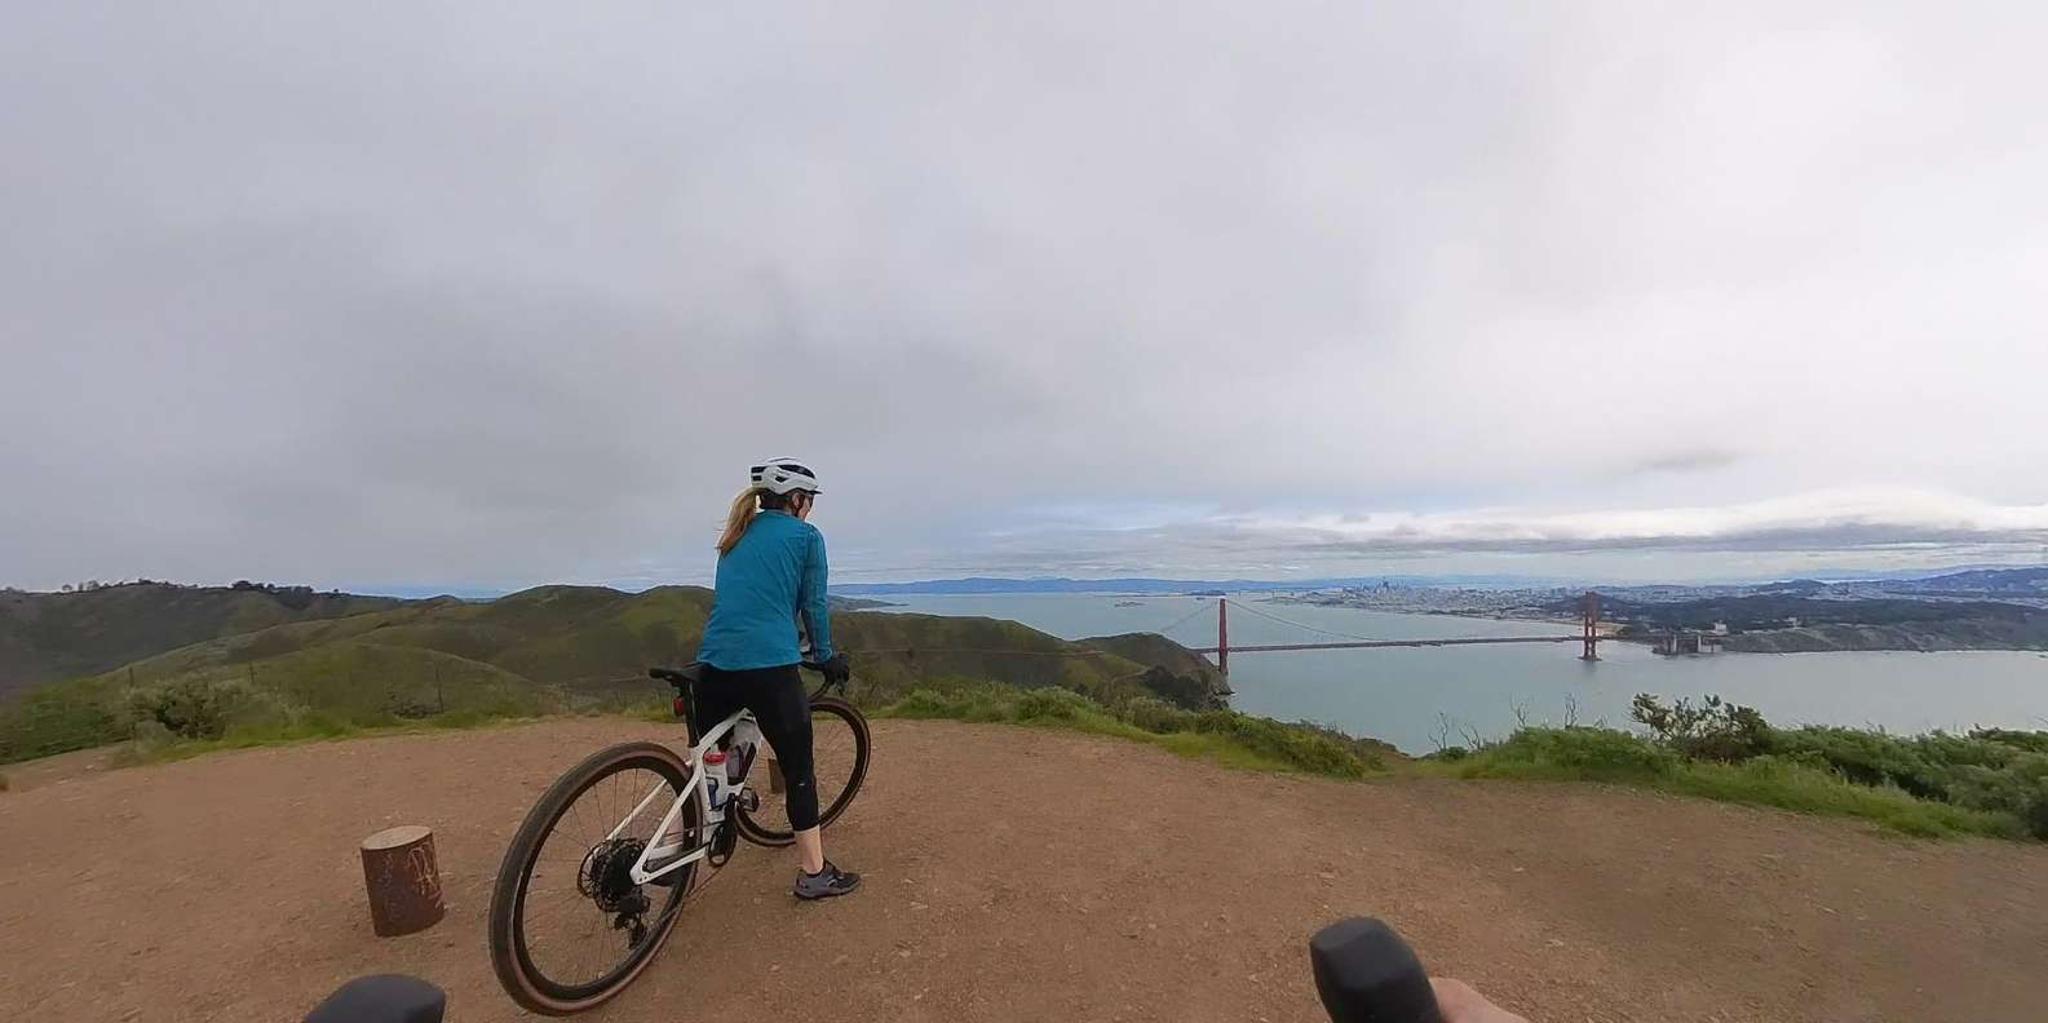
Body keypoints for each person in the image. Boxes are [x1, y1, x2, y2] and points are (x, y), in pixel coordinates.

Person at [691, 457, 859, 900]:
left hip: (712, 665)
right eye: (811, 501)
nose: (811, 510)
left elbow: (745, 602)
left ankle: (679, 845)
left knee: (709, 764)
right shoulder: (806, 537)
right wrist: (824, 656)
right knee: (799, 770)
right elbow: (813, 604)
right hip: (769, 666)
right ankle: (814, 873)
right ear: (798, 500)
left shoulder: (735, 534)